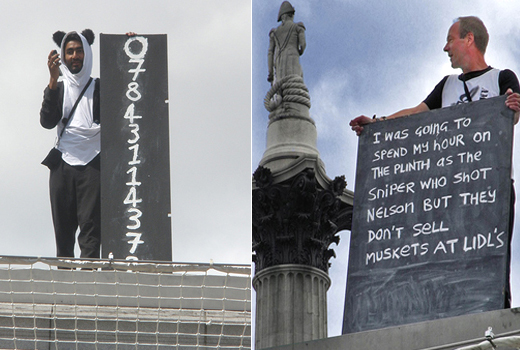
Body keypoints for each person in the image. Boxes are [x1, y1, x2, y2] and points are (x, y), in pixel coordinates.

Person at [349, 16, 520, 308]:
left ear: (469, 39)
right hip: (449, 194)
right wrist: (378, 123)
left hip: (489, 189)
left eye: (450, 39)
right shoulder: (447, 85)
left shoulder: (502, 77)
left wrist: (515, 108)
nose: (445, 47)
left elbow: (512, 113)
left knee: (491, 263)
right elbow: (417, 113)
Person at [40, 29, 101, 259]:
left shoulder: (100, 87)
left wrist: (130, 45)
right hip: (63, 166)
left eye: (79, 51)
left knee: (91, 233)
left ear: (87, 53)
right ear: (63, 57)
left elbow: (130, 89)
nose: (74, 56)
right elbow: (47, 121)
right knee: (63, 236)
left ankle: (90, 286)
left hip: (94, 164)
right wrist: (53, 80)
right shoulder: (60, 87)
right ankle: (66, 288)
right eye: (69, 52)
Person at [267, 1, 306, 84]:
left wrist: (270, 73)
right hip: (293, 59)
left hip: (279, 63)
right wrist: (300, 51)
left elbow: (270, 53)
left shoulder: (274, 32)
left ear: (282, 17)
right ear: (291, 15)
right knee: (295, 85)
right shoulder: (297, 27)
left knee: (281, 90)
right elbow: (303, 44)